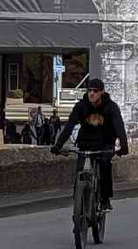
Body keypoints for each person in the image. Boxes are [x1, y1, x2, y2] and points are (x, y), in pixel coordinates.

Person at [50, 77, 129, 210]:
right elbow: (69, 126)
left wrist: (124, 145)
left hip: (105, 144)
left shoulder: (111, 107)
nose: (92, 93)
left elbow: (119, 126)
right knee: (80, 170)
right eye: (89, 91)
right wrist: (58, 145)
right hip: (86, 143)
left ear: (102, 92)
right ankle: (78, 202)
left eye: (95, 91)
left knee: (105, 167)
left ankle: (104, 199)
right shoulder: (81, 106)